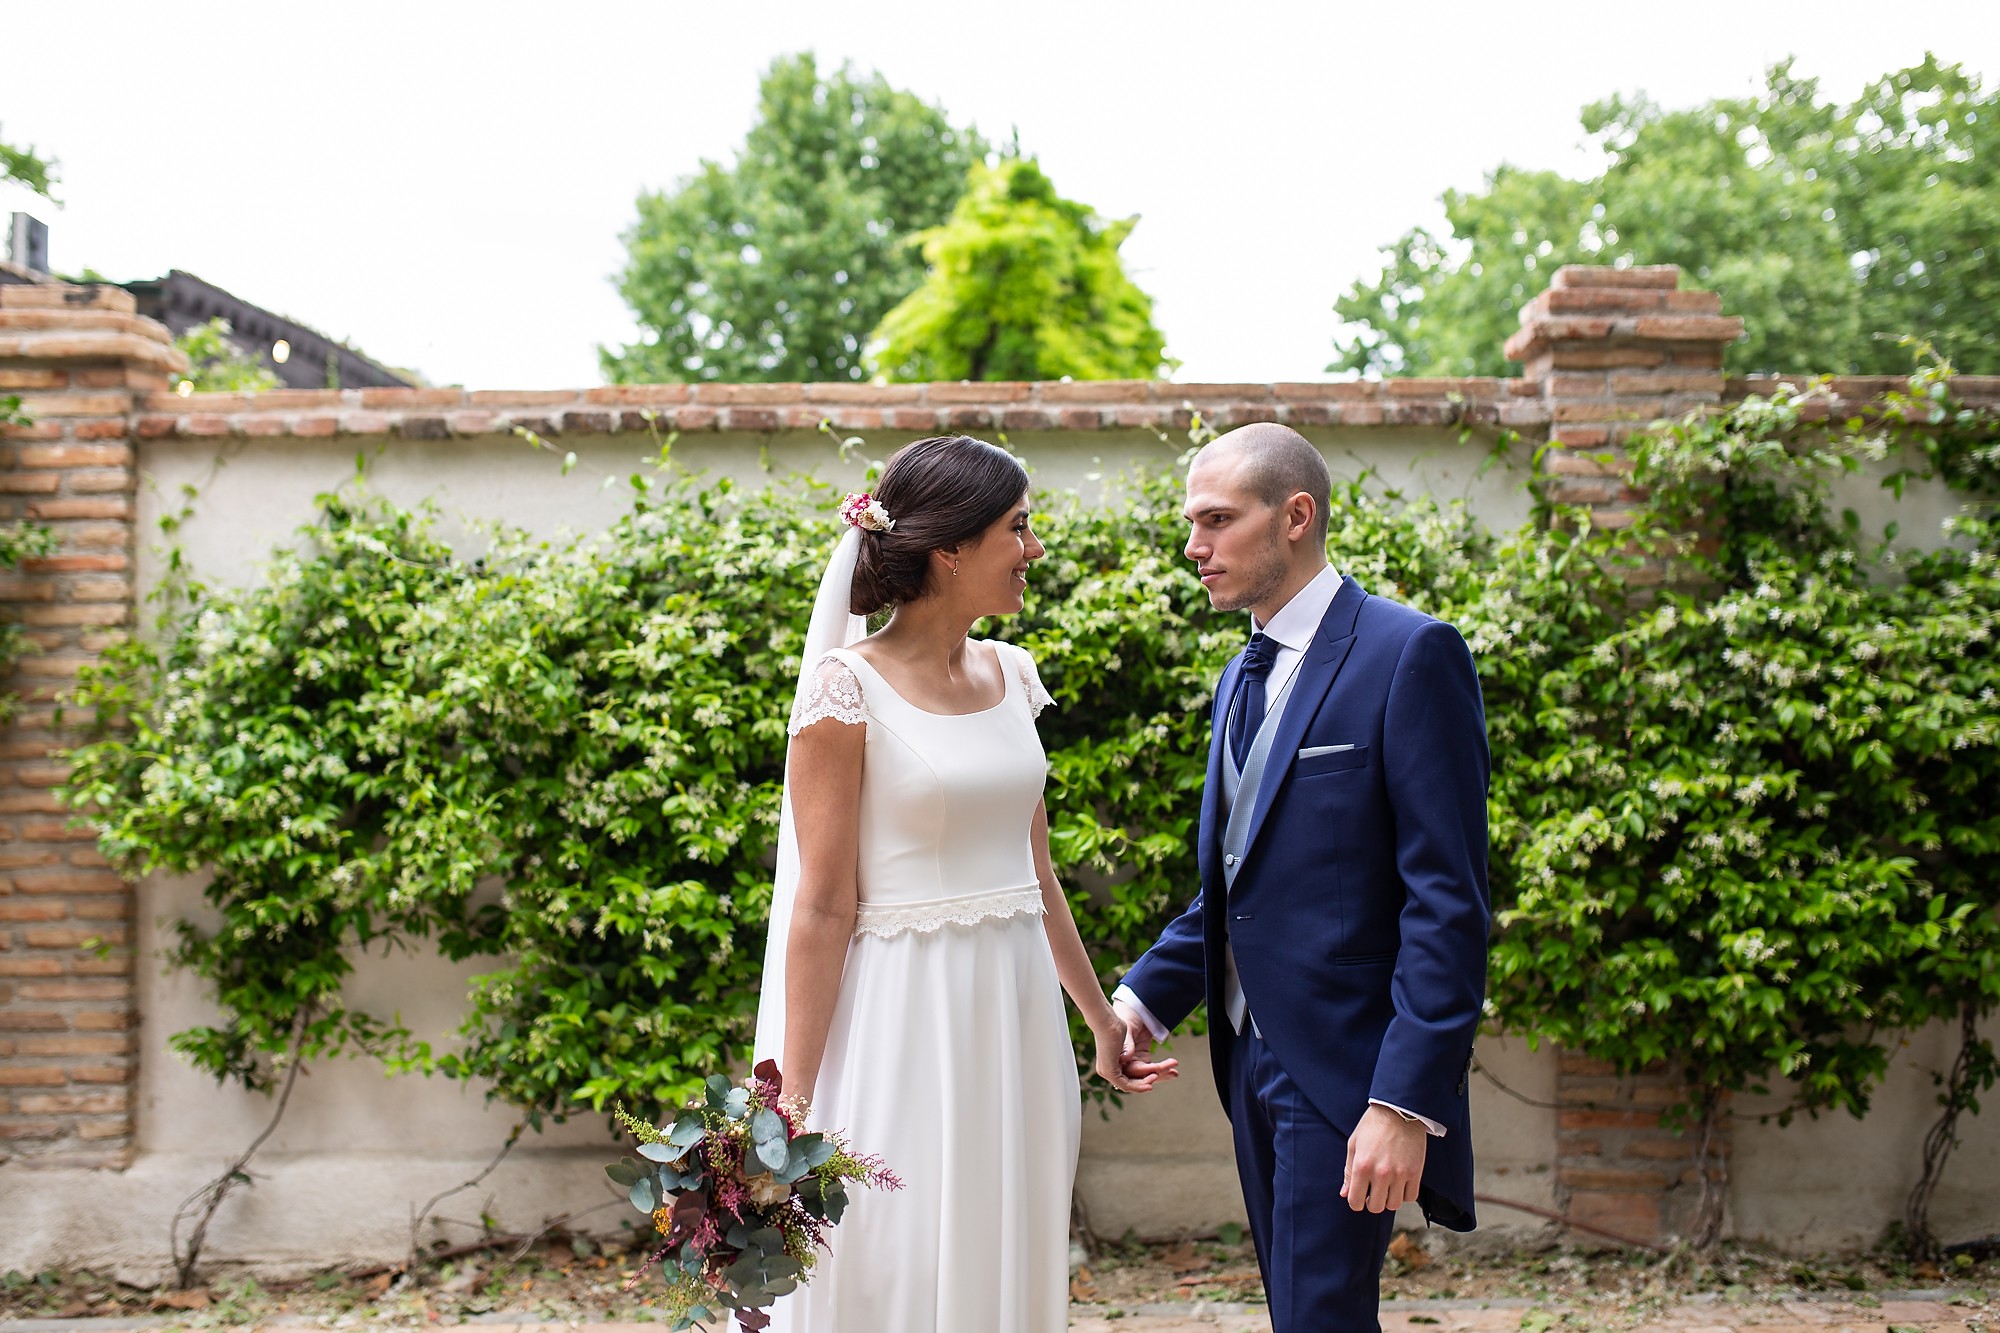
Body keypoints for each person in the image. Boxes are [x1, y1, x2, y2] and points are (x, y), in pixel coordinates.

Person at [757, 435, 1164, 1333]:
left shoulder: (1013, 674)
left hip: (1016, 1021)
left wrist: (1102, 1020)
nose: (1035, 548)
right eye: (1019, 527)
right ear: (950, 547)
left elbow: (1038, 873)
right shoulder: (844, 691)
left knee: (1006, 1253)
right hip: (905, 1020)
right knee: (898, 1262)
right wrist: (787, 1099)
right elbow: (822, 905)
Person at [1112, 422, 1490, 1333]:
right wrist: (1134, 1005)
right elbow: (1241, 888)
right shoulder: (1240, 678)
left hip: (1350, 1071)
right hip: (1250, 1061)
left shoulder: (1409, 653)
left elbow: (1448, 901)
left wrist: (1404, 1101)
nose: (1193, 548)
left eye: (1216, 520)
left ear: (1295, 515)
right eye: (1189, 524)